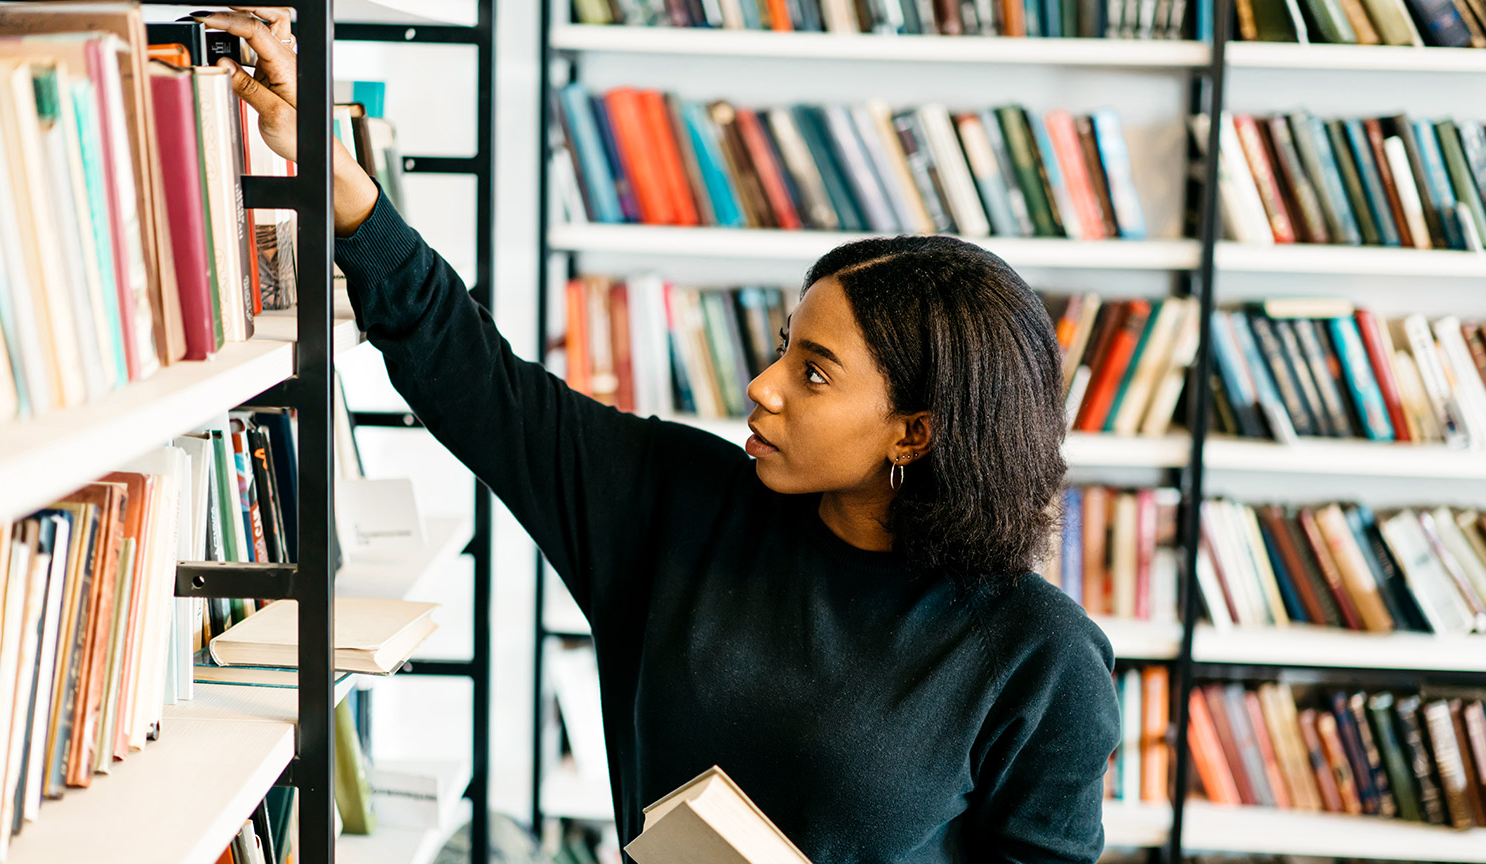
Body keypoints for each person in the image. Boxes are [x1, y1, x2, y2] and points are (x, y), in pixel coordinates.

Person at [202, 9, 1121, 862]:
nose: (761, 387)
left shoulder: (1042, 657)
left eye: (813, 372)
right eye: (780, 349)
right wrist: (349, 197)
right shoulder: (674, 504)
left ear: (913, 433)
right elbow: (475, 380)